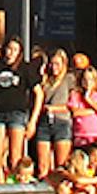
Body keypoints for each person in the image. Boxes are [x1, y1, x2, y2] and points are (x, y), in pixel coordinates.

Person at [0, 37, 33, 183]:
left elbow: (38, 92)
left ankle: (15, 181)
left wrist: (32, 120)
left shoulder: (25, 68)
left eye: (15, 50)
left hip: (17, 113)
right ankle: (0, 182)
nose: (10, 53)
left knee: (15, 155)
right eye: (9, 49)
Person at [31, 48, 74, 180]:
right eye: (52, 64)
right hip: (45, 123)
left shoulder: (69, 79)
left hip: (61, 121)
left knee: (61, 164)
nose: (54, 67)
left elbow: (72, 104)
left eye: (57, 64)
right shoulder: (46, 81)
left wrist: (54, 108)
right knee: (43, 164)